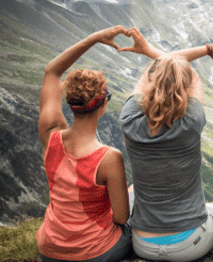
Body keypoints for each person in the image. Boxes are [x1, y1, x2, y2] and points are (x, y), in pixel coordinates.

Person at [119, 28, 213, 262]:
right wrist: (210, 49)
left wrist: (149, 53)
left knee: (133, 189)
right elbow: (188, 76)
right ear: (185, 88)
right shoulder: (193, 120)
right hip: (190, 243)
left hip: (142, 243)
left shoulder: (129, 119)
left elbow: (158, 69)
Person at [36, 26, 132, 262]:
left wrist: (94, 38)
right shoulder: (109, 157)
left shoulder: (51, 134)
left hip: (49, 250)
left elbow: (51, 72)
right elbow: (120, 218)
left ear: (70, 103)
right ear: (103, 105)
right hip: (93, 252)